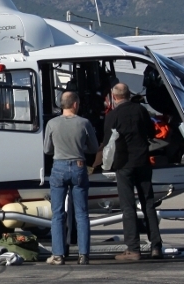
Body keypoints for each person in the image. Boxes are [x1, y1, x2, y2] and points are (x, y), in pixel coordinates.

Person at [103, 83, 163, 260]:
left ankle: (133, 248)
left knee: (128, 206)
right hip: (143, 161)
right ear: (129, 95)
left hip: (124, 164)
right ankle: (156, 246)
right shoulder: (141, 111)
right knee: (148, 203)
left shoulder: (112, 116)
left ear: (114, 97)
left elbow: (107, 142)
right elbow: (151, 132)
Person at [43, 91, 98, 265]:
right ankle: (83, 254)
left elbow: (47, 150)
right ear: (75, 104)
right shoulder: (84, 123)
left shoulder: (52, 123)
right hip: (79, 166)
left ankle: (58, 254)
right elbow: (93, 147)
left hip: (59, 166)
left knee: (58, 213)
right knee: (82, 213)